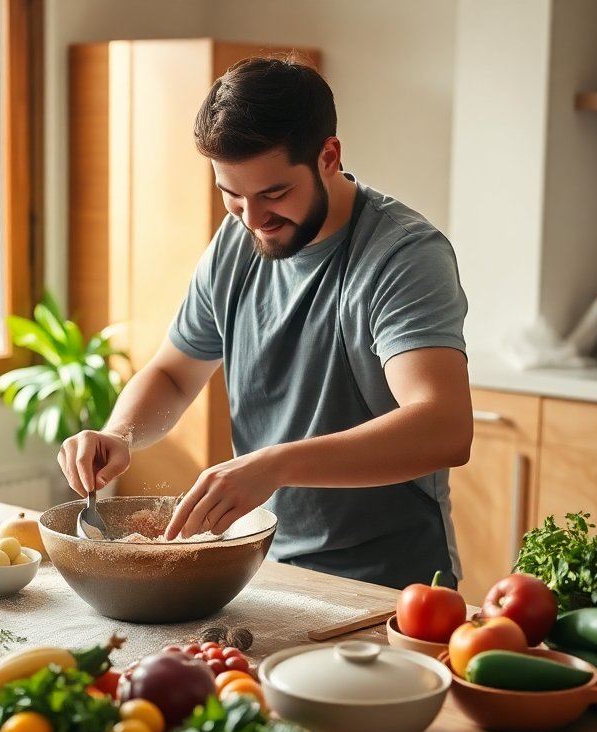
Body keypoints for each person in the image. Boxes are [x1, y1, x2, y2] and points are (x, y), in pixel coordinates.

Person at [58, 55, 473, 589]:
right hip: (263, 569)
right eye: (231, 195)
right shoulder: (237, 242)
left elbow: (443, 427)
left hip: (390, 586)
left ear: (328, 156)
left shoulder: (404, 256)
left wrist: (275, 464)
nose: (253, 220)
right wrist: (120, 434)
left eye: (274, 194)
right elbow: (174, 374)